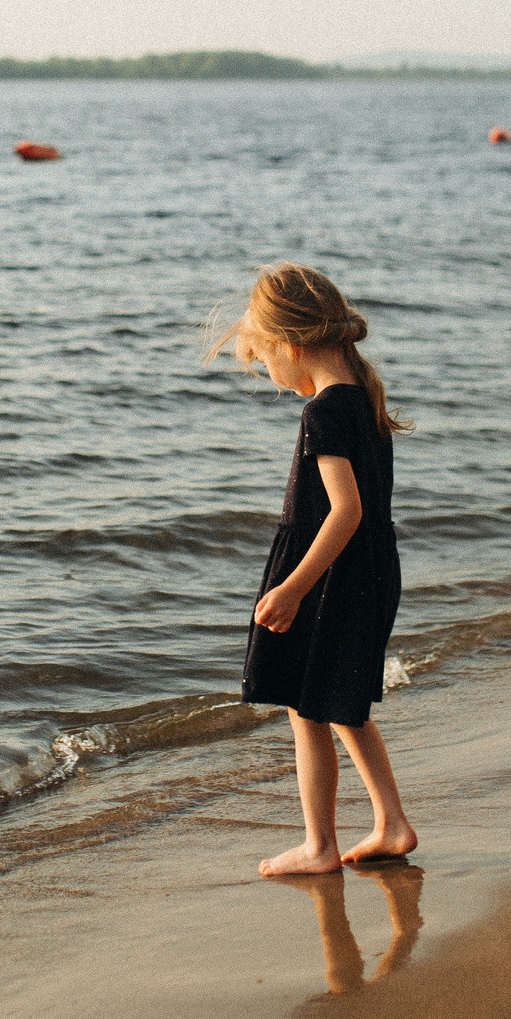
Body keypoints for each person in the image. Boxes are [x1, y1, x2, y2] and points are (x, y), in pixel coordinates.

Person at [213, 263, 418, 876]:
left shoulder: (324, 413)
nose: (271, 376)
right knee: (341, 704)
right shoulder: (365, 399)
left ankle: (319, 844)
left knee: (307, 708)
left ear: (291, 345)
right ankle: (391, 823)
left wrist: (292, 589)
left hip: (330, 576)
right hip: (367, 571)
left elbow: (346, 511)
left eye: (263, 359)